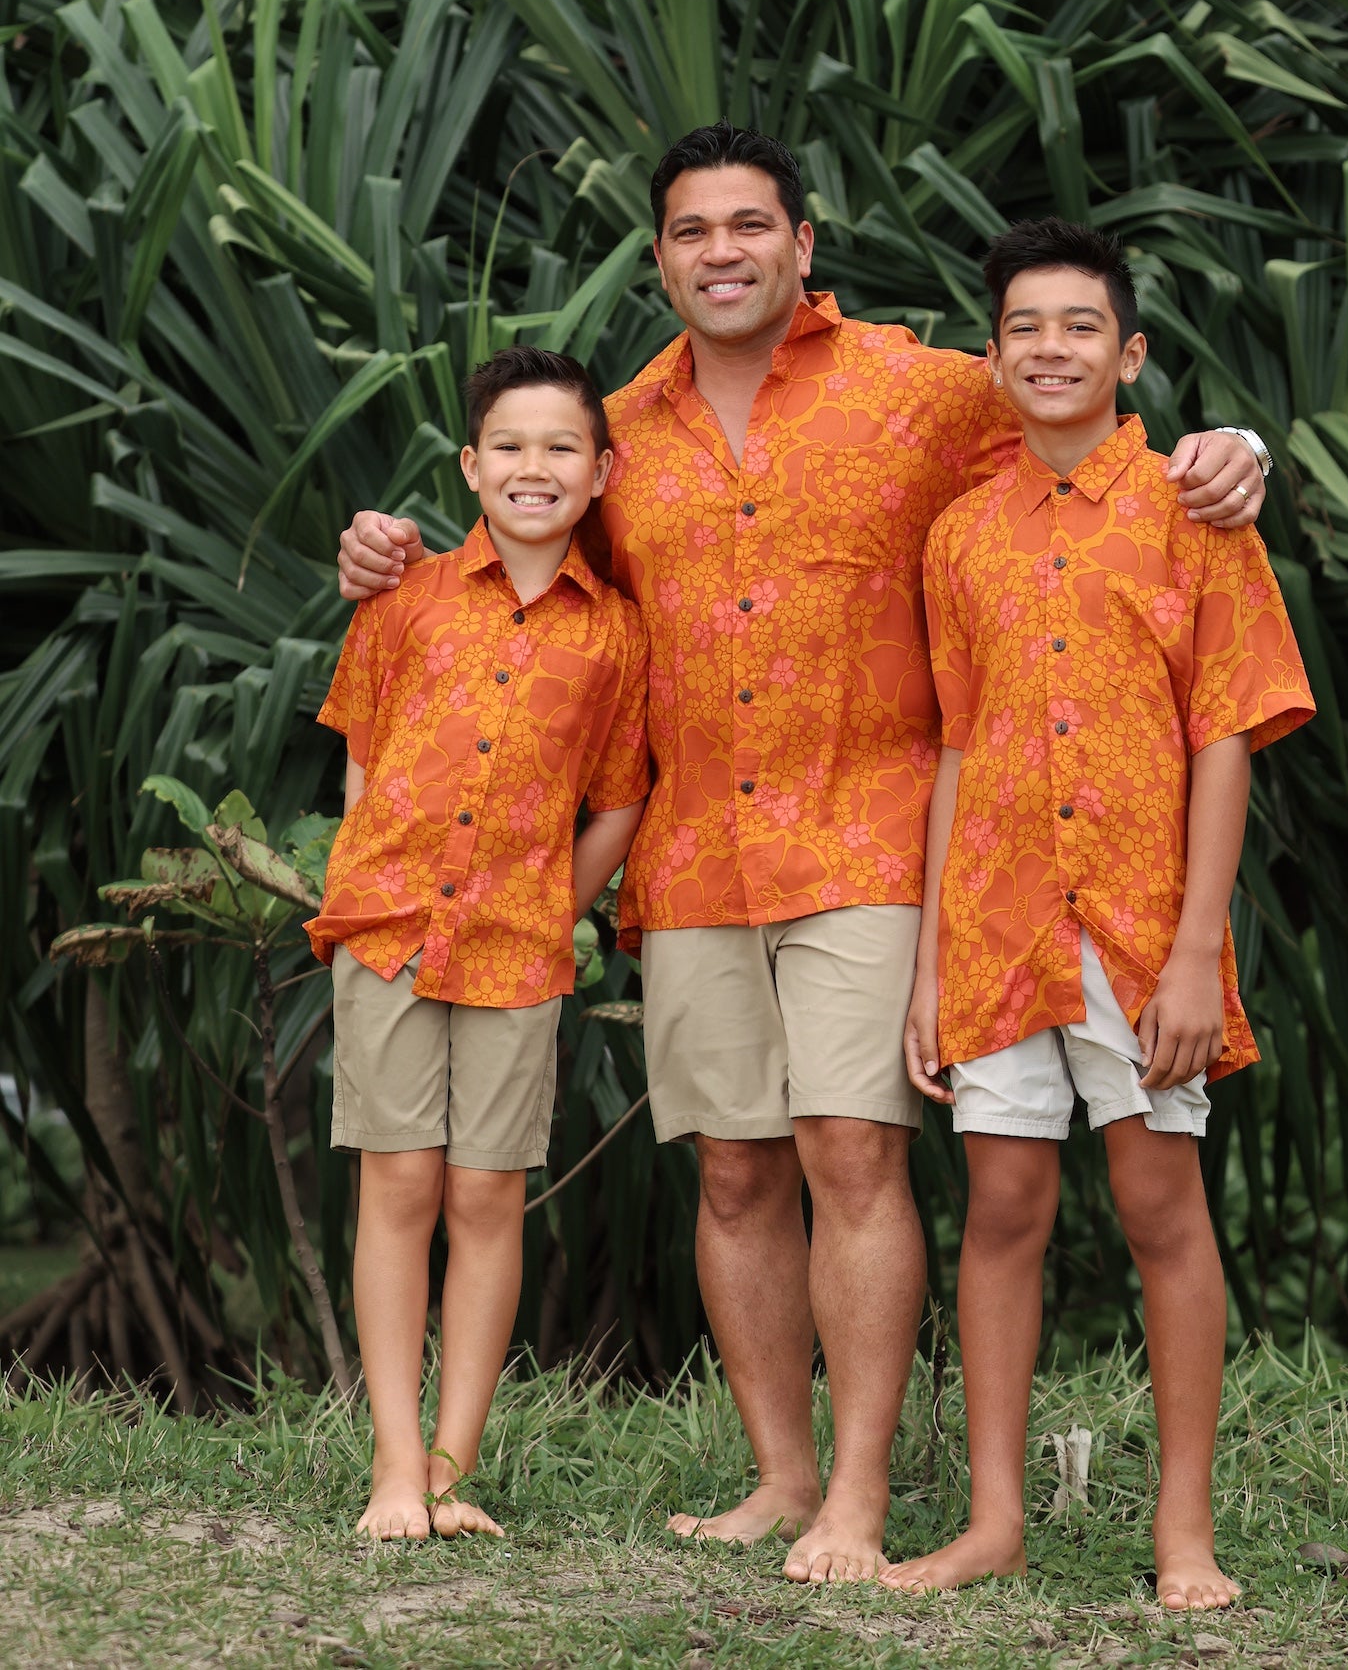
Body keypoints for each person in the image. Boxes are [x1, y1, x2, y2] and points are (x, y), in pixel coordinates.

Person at [334, 124, 1271, 1583]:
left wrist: (1236, 448)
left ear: (800, 246)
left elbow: (1071, 415)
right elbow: (512, 539)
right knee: (729, 1172)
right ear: (659, 259)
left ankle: (856, 1498)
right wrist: (382, 548)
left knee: (849, 1151)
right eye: (692, 231)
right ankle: (778, 1479)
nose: (722, 251)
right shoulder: (617, 428)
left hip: (876, 837)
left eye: (748, 226)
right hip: (694, 847)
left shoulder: (915, 389)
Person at [880, 217, 1313, 1608]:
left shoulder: (1191, 515)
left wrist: (1196, 952)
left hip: (1139, 926)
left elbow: (1224, 734)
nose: (1048, 348)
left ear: (1126, 354)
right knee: (999, 1203)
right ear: (991, 355)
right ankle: (993, 1519)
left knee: (1154, 1203)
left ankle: (1182, 1532)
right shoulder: (956, 536)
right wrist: (926, 969)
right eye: (1022, 327)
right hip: (997, 925)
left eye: (1079, 326)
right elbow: (954, 747)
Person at [308, 346, 648, 1541]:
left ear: (601, 471)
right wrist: (361, 890)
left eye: (560, 447)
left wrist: (557, 904)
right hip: (391, 933)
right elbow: (361, 752)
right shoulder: (401, 599)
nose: (533, 467)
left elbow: (617, 798)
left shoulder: (616, 636)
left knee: (488, 1193)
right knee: (397, 1181)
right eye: (508, 445)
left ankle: (455, 1469)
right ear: (469, 464)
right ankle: (393, 1468)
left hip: (516, 948)